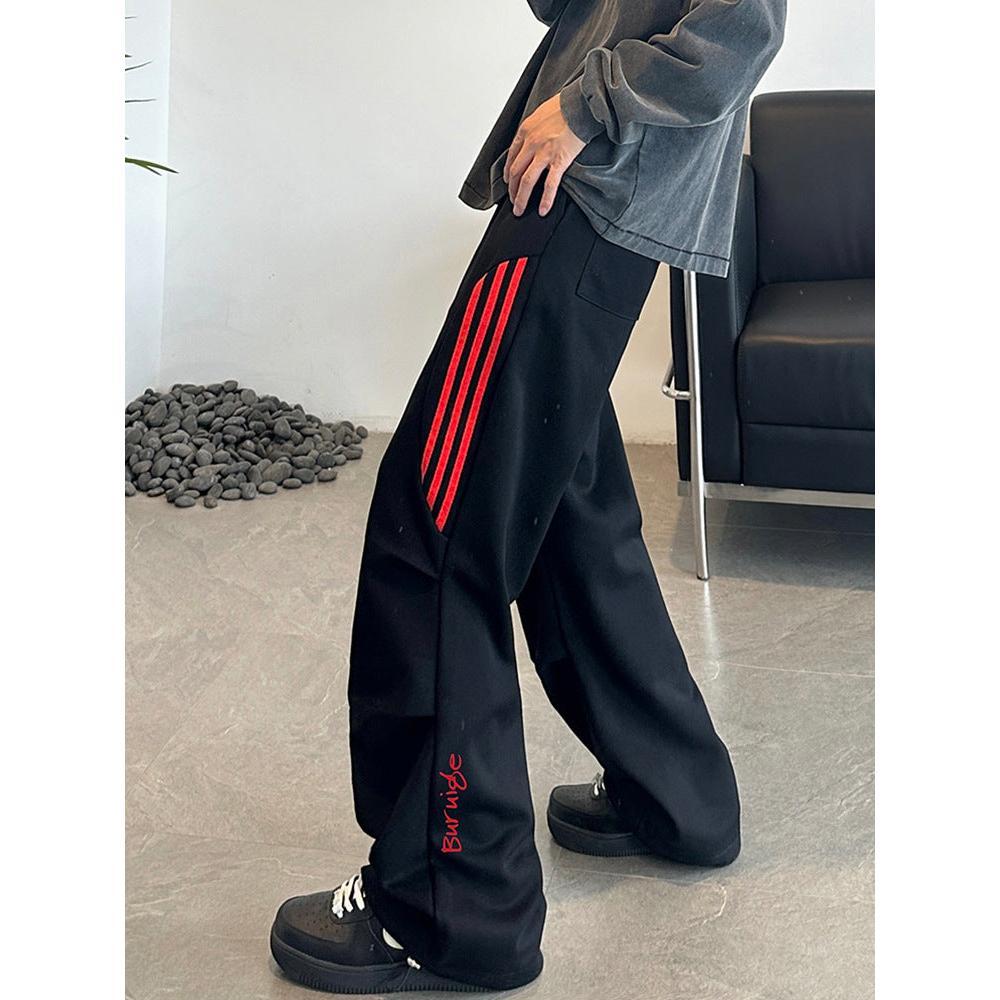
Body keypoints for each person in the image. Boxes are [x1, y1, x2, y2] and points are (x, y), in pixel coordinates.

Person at [270, 1, 785, 993]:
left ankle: (452, 907)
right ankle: (677, 795)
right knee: (571, 523)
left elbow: (741, 28)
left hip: (583, 187)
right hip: (594, 193)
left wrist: (586, 106)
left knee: (437, 530)